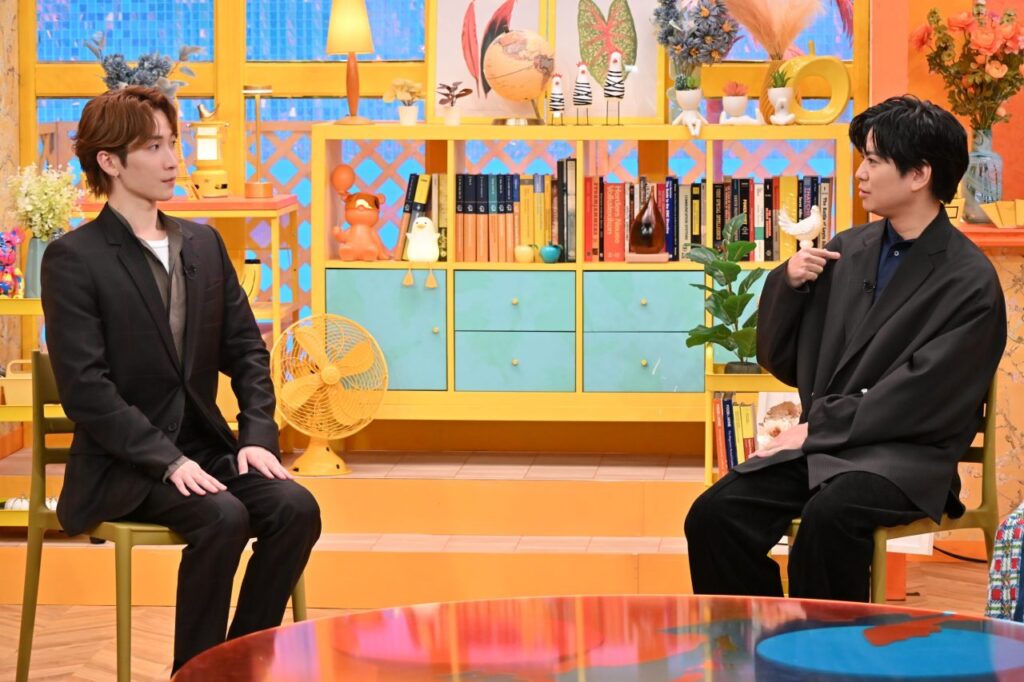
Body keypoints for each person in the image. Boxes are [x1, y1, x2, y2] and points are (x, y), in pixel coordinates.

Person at [41, 86, 321, 672]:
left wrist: (257, 436)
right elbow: (86, 389)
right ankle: (193, 673)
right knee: (223, 516)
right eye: (153, 147)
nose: (173, 160)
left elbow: (246, 350)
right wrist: (167, 461)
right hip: (126, 465)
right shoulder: (74, 258)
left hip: (206, 450)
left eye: (173, 143)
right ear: (110, 161)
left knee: (296, 507)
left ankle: (236, 665)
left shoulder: (203, 243)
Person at [684, 95, 1006, 602]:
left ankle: (828, 648)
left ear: (919, 174)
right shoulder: (846, 250)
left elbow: (925, 396)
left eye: (874, 160)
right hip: (827, 447)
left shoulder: (970, 280)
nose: (860, 173)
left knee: (829, 519)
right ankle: (752, 640)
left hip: (906, 458)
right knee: (714, 515)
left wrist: (818, 428)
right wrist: (788, 285)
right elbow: (785, 361)